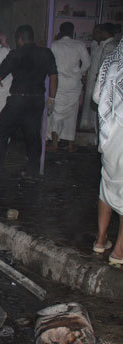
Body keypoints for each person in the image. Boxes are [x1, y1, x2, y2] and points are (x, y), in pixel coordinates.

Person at [0, 25, 58, 179]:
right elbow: (53, 76)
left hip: (18, 100)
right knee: (33, 136)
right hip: (36, 100)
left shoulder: (15, 54)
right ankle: (33, 172)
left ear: (19, 38)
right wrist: (52, 98)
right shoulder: (46, 53)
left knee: (2, 133)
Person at [93, 38, 123, 265]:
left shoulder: (111, 62)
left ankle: (101, 240)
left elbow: (96, 97)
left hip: (110, 133)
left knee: (108, 185)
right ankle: (119, 252)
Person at [47, 22, 90, 153]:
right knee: (72, 113)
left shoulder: (54, 45)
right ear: (73, 32)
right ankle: (70, 145)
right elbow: (87, 64)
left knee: (56, 113)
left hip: (58, 83)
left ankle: (54, 143)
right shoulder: (79, 45)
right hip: (73, 83)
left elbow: (49, 65)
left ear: (60, 31)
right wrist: (79, 73)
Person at [81, 23, 117, 133]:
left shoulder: (110, 46)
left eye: (99, 32)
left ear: (105, 33)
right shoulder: (101, 45)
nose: (97, 34)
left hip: (100, 82)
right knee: (91, 105)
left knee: (97, 107)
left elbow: (104, 66)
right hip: (95, 80)